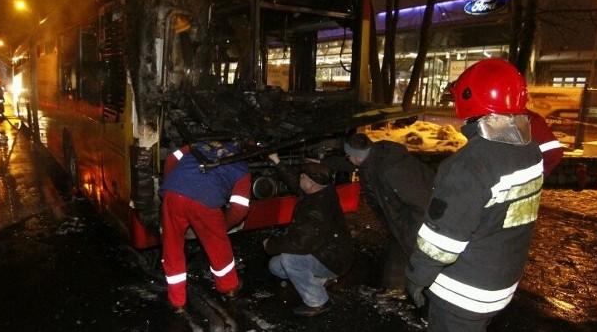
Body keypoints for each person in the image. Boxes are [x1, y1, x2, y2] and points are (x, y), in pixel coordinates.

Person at [405, 58, 544, 332]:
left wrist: (416, 279)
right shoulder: (530, 151)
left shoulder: (468, 166)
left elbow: (441, 242)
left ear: (471, 103)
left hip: (465, 291)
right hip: (503, 279)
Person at [159, 140, 251, 312]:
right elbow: (239, 209)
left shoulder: (202, 144)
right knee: (218, 246)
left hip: (173, 193)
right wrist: (223, 226)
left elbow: (171, 159)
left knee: (171, 247)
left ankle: (177, 301)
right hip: (205, 201)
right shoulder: (242, 168)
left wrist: (173, 185)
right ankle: (229, 288)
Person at [344, 133, 434, 301]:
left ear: (356, 157)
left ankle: (432, 296)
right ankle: (395, 287)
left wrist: (411, 229)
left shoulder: (392, 169)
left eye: (348, 156)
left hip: (416, 215)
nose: (348, 159)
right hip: (400, 213)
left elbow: (420, 202)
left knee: (419, 254)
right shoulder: (371, 160)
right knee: (397, 247)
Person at [262, 154, 354, 317]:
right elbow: (294, 182)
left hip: (333, 260)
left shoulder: (317, 212)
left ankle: (318, 302)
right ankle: (319, 279)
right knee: (276, 267)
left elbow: (300, 244)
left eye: (302, 177)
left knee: (290, 259)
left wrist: (270, 245)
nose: (299, 178)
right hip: (322, 250)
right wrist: (277, 161)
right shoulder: (321, 189)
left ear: (310, 185)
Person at [526, 109, 564, 175]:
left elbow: (554, 154)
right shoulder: (532, 119)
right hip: (524, 181)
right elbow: (554, 154)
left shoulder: (533, 120)